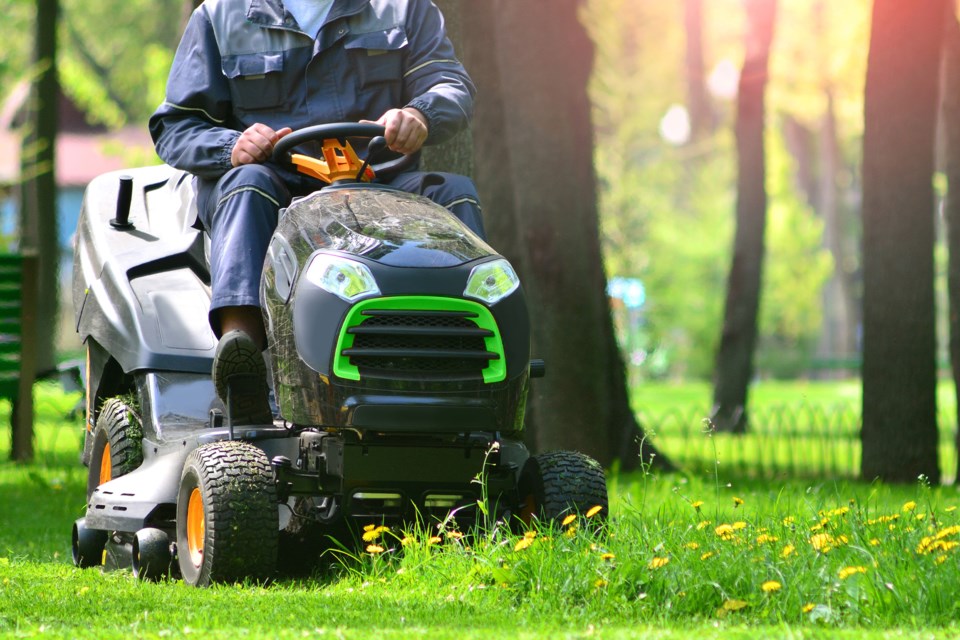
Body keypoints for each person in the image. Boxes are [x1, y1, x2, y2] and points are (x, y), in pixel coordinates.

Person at [149, 0, 482, 425]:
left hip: (381, 185)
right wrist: (230, 146)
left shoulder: (402, 8)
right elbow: (177, 126)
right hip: (275, 189)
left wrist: (421, 113)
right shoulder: (220, 16)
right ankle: (242, 358)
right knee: (247, 183)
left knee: (454, 194)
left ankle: (462, 364)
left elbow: (449, 83)